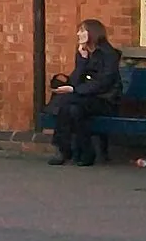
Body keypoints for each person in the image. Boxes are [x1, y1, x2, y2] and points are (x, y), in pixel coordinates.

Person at [48, 19, 121, 166]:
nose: (78, 34)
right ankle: (84, 151)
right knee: (73, 109)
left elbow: (104, 83)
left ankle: (65, 149)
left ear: (92, 33)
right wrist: (82, 61)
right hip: (83, 99)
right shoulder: (84, 53)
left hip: (105, 100)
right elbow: (75, 80)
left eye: (82, 30)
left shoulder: (109, 54)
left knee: (68, 102)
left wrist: (75, 90)